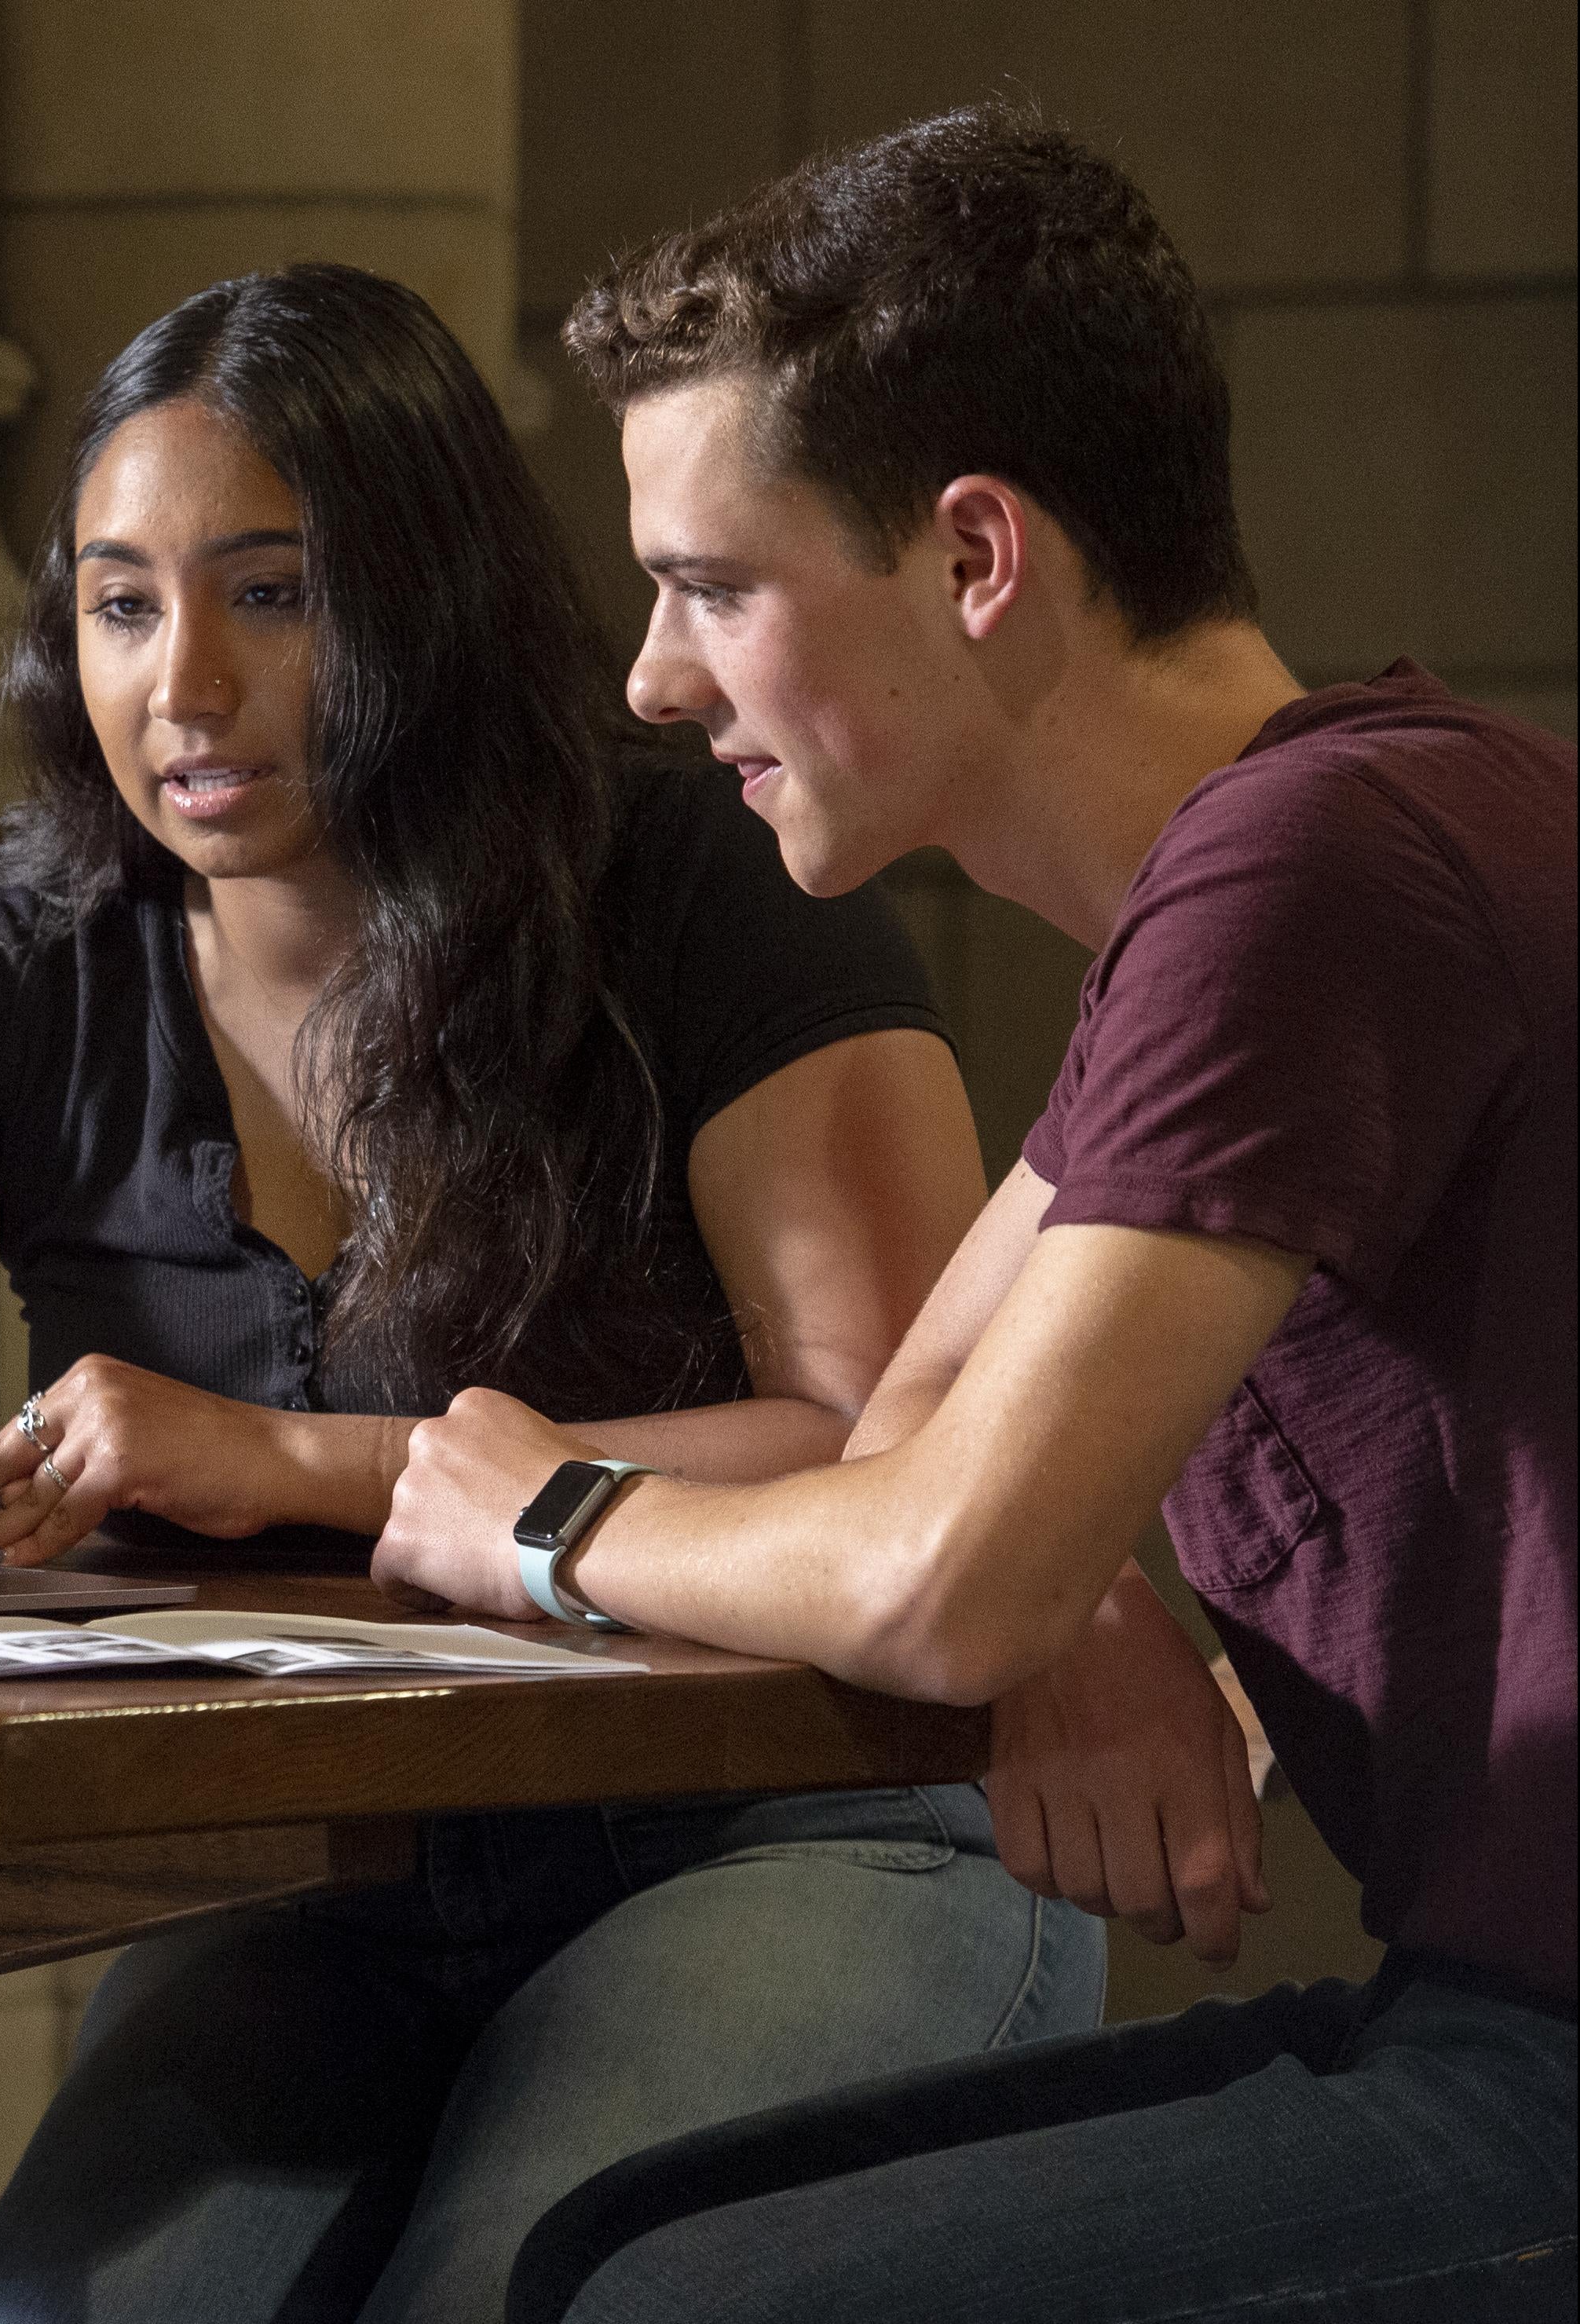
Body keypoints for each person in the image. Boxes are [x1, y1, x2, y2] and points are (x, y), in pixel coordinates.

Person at [0, 263, 1102, 2324]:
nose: (178, 681)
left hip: (791, 1823)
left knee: (510, 2295)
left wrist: (297, 1461)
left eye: (267, 594)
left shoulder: (680, 888)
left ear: (423, 596)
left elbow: (877, 1442)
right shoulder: (17, 969)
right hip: (313, 1886)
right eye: (115, 603)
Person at [357, 107, 1575, 2322]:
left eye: (711, 585)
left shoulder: (1304, 871)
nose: (648, 677)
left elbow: (934, 1578)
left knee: (668, 2307)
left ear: (975, 556)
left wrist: (537, 1514)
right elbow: (908, 1444)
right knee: (599, 2251)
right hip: (1492, 2021)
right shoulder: (1262, 863)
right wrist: (1053, 1591)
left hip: (1551, 2072)